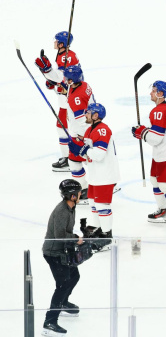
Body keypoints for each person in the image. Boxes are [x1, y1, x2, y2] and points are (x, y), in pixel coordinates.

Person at [131, 80, 166, 232]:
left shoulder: (158, 111)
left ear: (160, 94)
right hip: (165, 150)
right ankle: (163, 210)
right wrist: (144, 130)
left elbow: (156, 138)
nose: (150, 92)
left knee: (165, 185)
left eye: (154, 90)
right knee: (154, 180)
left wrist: (142, 133)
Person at [71, 103, 119, 247]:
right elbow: (88, 155)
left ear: (95, 115)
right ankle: (98, 229)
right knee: (93, 202)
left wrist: (84, 149)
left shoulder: (103, 130)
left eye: (88, 113)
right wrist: (79, 149)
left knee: (101, 205)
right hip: (95, 175)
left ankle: (106, 236)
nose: (85, 115)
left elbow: (99, 154)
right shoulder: (89, 131)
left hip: (105, 175)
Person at [42, 179, 85, 337]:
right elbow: (60, 236)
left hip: (63, 251)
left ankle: (63, 303)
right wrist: (76, 238)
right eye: (79, 192)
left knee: (74, 276)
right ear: (72, 195)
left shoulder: (71, 207)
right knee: (63, 284)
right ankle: (49, 322)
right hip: (54, 253)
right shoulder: (62, 211)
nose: (81, 193)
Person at [34, 31, 79, 173]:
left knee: (67, 128)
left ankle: (71, 158)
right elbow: (62, 78)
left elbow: (61, 77)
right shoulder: (63, 55)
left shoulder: (67, 56)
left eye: (56, 41)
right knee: (62, 127)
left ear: (61, 44)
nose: (54, 43)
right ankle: (68, 157)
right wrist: (52, 82)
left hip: (69, 98)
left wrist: (47, 71)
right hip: (65, 96)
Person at [62, 65, 94, 202]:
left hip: (81, 133)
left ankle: (89, 188)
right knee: (81, 160)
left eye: (67, 78)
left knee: (77, 161)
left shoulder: (77, 98)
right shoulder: (83, 85)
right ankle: (92, 185)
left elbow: (82, 121)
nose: (65, 80)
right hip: (88, 130)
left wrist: (81, 137)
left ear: (72, 80)